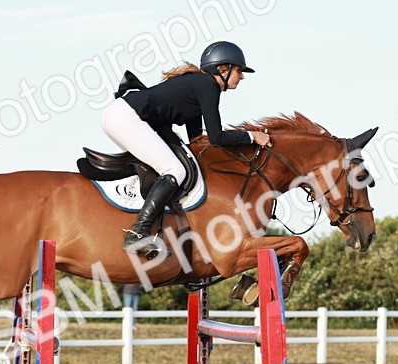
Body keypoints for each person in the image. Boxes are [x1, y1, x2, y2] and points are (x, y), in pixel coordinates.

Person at [100, 41, 273, 253]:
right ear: (223, 69)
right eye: (239, 70)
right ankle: (138, 233)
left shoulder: (199, 86)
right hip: (127, 118)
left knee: (173, 165)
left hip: (120, 116)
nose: (242, 76)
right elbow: (217, 137)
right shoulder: (208, 86)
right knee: (175, 170)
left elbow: (197, 140)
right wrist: (251, 136)